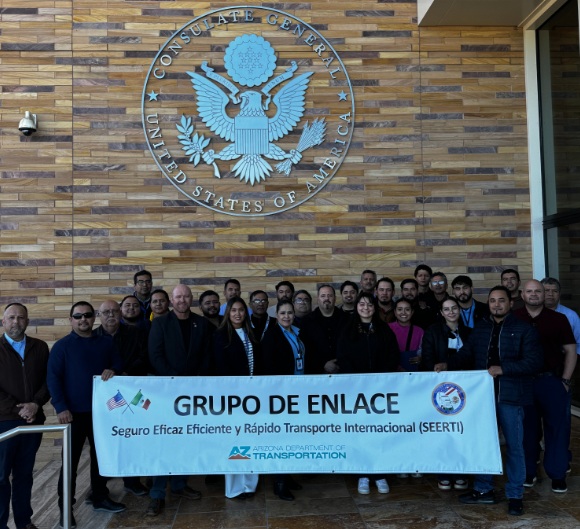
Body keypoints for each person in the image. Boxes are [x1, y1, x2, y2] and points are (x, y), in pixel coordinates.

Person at [445, 286, 542, 516]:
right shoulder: (481, 328)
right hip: (483, 399)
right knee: (484, 444)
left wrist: (503, 369)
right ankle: (483, 489)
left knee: (515, 447)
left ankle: (515, 495)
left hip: (511, 397)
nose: (496, 305)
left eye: (501, 300)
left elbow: (534, 362)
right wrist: (445, 366)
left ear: (510, 303)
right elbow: (466, 354)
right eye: (492, 301)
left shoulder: (524, 329)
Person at [47, 301, 126, 528]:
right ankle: (65, 508)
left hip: (102, 413)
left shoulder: (106, 342)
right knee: (69, 463)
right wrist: (61, 407)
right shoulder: (62, 347)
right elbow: (53, 378)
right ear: (71, 320)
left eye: (87, 315)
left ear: (94, 317)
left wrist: (114, 370)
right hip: (72, 415)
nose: (83, 319)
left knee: (101, 458)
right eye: (78, 316)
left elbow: (118, 364)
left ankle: (99, 497)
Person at [146, 284, 213, 516]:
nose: (182, 300)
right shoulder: (160, 324)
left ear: (191, 299)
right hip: (167, 393)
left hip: (194, 394)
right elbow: (155, 355)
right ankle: (157, 493)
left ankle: (179, 484)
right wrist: (175, 380)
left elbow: (207, 355)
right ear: (171, 301)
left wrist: (196, 381)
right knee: (164, 443)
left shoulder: (202, 323)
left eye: (186, 296)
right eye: (178, 297)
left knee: (186, 440)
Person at [513, 280, 577, 493]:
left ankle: (557, 475)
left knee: (557, 430)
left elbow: (570, 350)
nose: (534, 294)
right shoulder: (513, 318)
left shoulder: (559, 319)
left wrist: (565, 380)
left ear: (544, 295)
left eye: (538, 291)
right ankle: (528, 472)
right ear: (522, 295)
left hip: (552, 381)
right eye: (529, 291)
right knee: (527, 431)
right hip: (523, 382)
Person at [337, 291, 399, 495]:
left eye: (369, 305)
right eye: (362, 304)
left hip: (381, 391)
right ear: (356, 307)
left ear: (375, 308)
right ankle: (362, 474)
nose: (366, 308)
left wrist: (381, 379)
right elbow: (343, 357)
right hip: (357, 392)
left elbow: (393, 356)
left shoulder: (384, 330)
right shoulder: (347, 330)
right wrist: (357, 380)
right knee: (360, 433)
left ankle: (380, 474)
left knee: (380, 433)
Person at [0, 303, 50, 529]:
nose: (16, 322)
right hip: (4, 422)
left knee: (24, 474)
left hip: (33, 421)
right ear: (3, 321)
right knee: (1, 476)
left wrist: (35, 404)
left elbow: (48, 381)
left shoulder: (40, 347)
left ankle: (24, 522)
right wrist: (19, 408)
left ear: (27, 321)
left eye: (21, 318)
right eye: (11, 317)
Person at [95, 300, 150, 497]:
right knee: (102, 442)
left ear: (120, 313)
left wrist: (124, 373)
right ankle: (98, 489)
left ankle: (132, 482)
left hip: (131, 392)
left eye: (114, 311)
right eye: (106, 312)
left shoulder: (135, 333)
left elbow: (144, 357)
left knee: (130, 438)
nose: (111, 315)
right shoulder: (92, 336)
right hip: (103, 398)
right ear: (99, 315)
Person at [420, 297, 471, 491]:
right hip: (440, 389)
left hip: (465, 390)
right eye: (446, 309)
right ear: (441, 313)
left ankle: (461, 471)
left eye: (454, 308)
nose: (451, 312)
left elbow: (473, 358)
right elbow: (427, 358)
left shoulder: (469, 332)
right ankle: (443, 472)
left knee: (461, 431)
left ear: (459, 310)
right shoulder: (432, 332)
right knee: (442, 432)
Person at [213, 297, 261, 499]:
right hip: (232, 398)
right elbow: (220, 367)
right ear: (228, 313)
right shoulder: (220, 335)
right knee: (234, 442)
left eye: (241, 310)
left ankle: (249, 485)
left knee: (251, 439)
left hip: (253, 397)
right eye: (233, 310)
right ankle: (234, 488)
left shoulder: (252, 333)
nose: (238, 314)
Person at [262, 300, 305, 501]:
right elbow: (268, 366)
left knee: (292, 437)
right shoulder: (271, 335)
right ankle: (279, 483)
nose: (286, 316)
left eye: (289, 313)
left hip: (298, 392)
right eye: (283, 313)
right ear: (276, 315)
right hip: (281, 395)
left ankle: (287, 476)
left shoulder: (296, 332)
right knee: (280, 438)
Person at [300, 284, 348, 374]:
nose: (326, 298)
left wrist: (340, 364)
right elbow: (304, 349)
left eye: (330, 295)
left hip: (344, 372)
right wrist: (323, 364)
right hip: (316, 373)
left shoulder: (347, 320)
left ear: (335, 298)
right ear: (318, 299)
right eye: (323, 296)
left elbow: (351, 346)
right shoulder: (306, 322)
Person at [541, 277, 580, 354]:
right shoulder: (532, 314)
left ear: (559, 294)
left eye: (555, 291)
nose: (550, 294)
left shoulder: (571, 315)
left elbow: (579, 343)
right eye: (546, 290)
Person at [389, 298, 424, 372]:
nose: (403, 312)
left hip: (412, 371)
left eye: (407, 309)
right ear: (395, 312)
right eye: (400, 309)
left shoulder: (419, 331)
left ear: (412, 312)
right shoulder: (387, 328)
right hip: (391, 370)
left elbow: (424, 350)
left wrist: (421, 358)